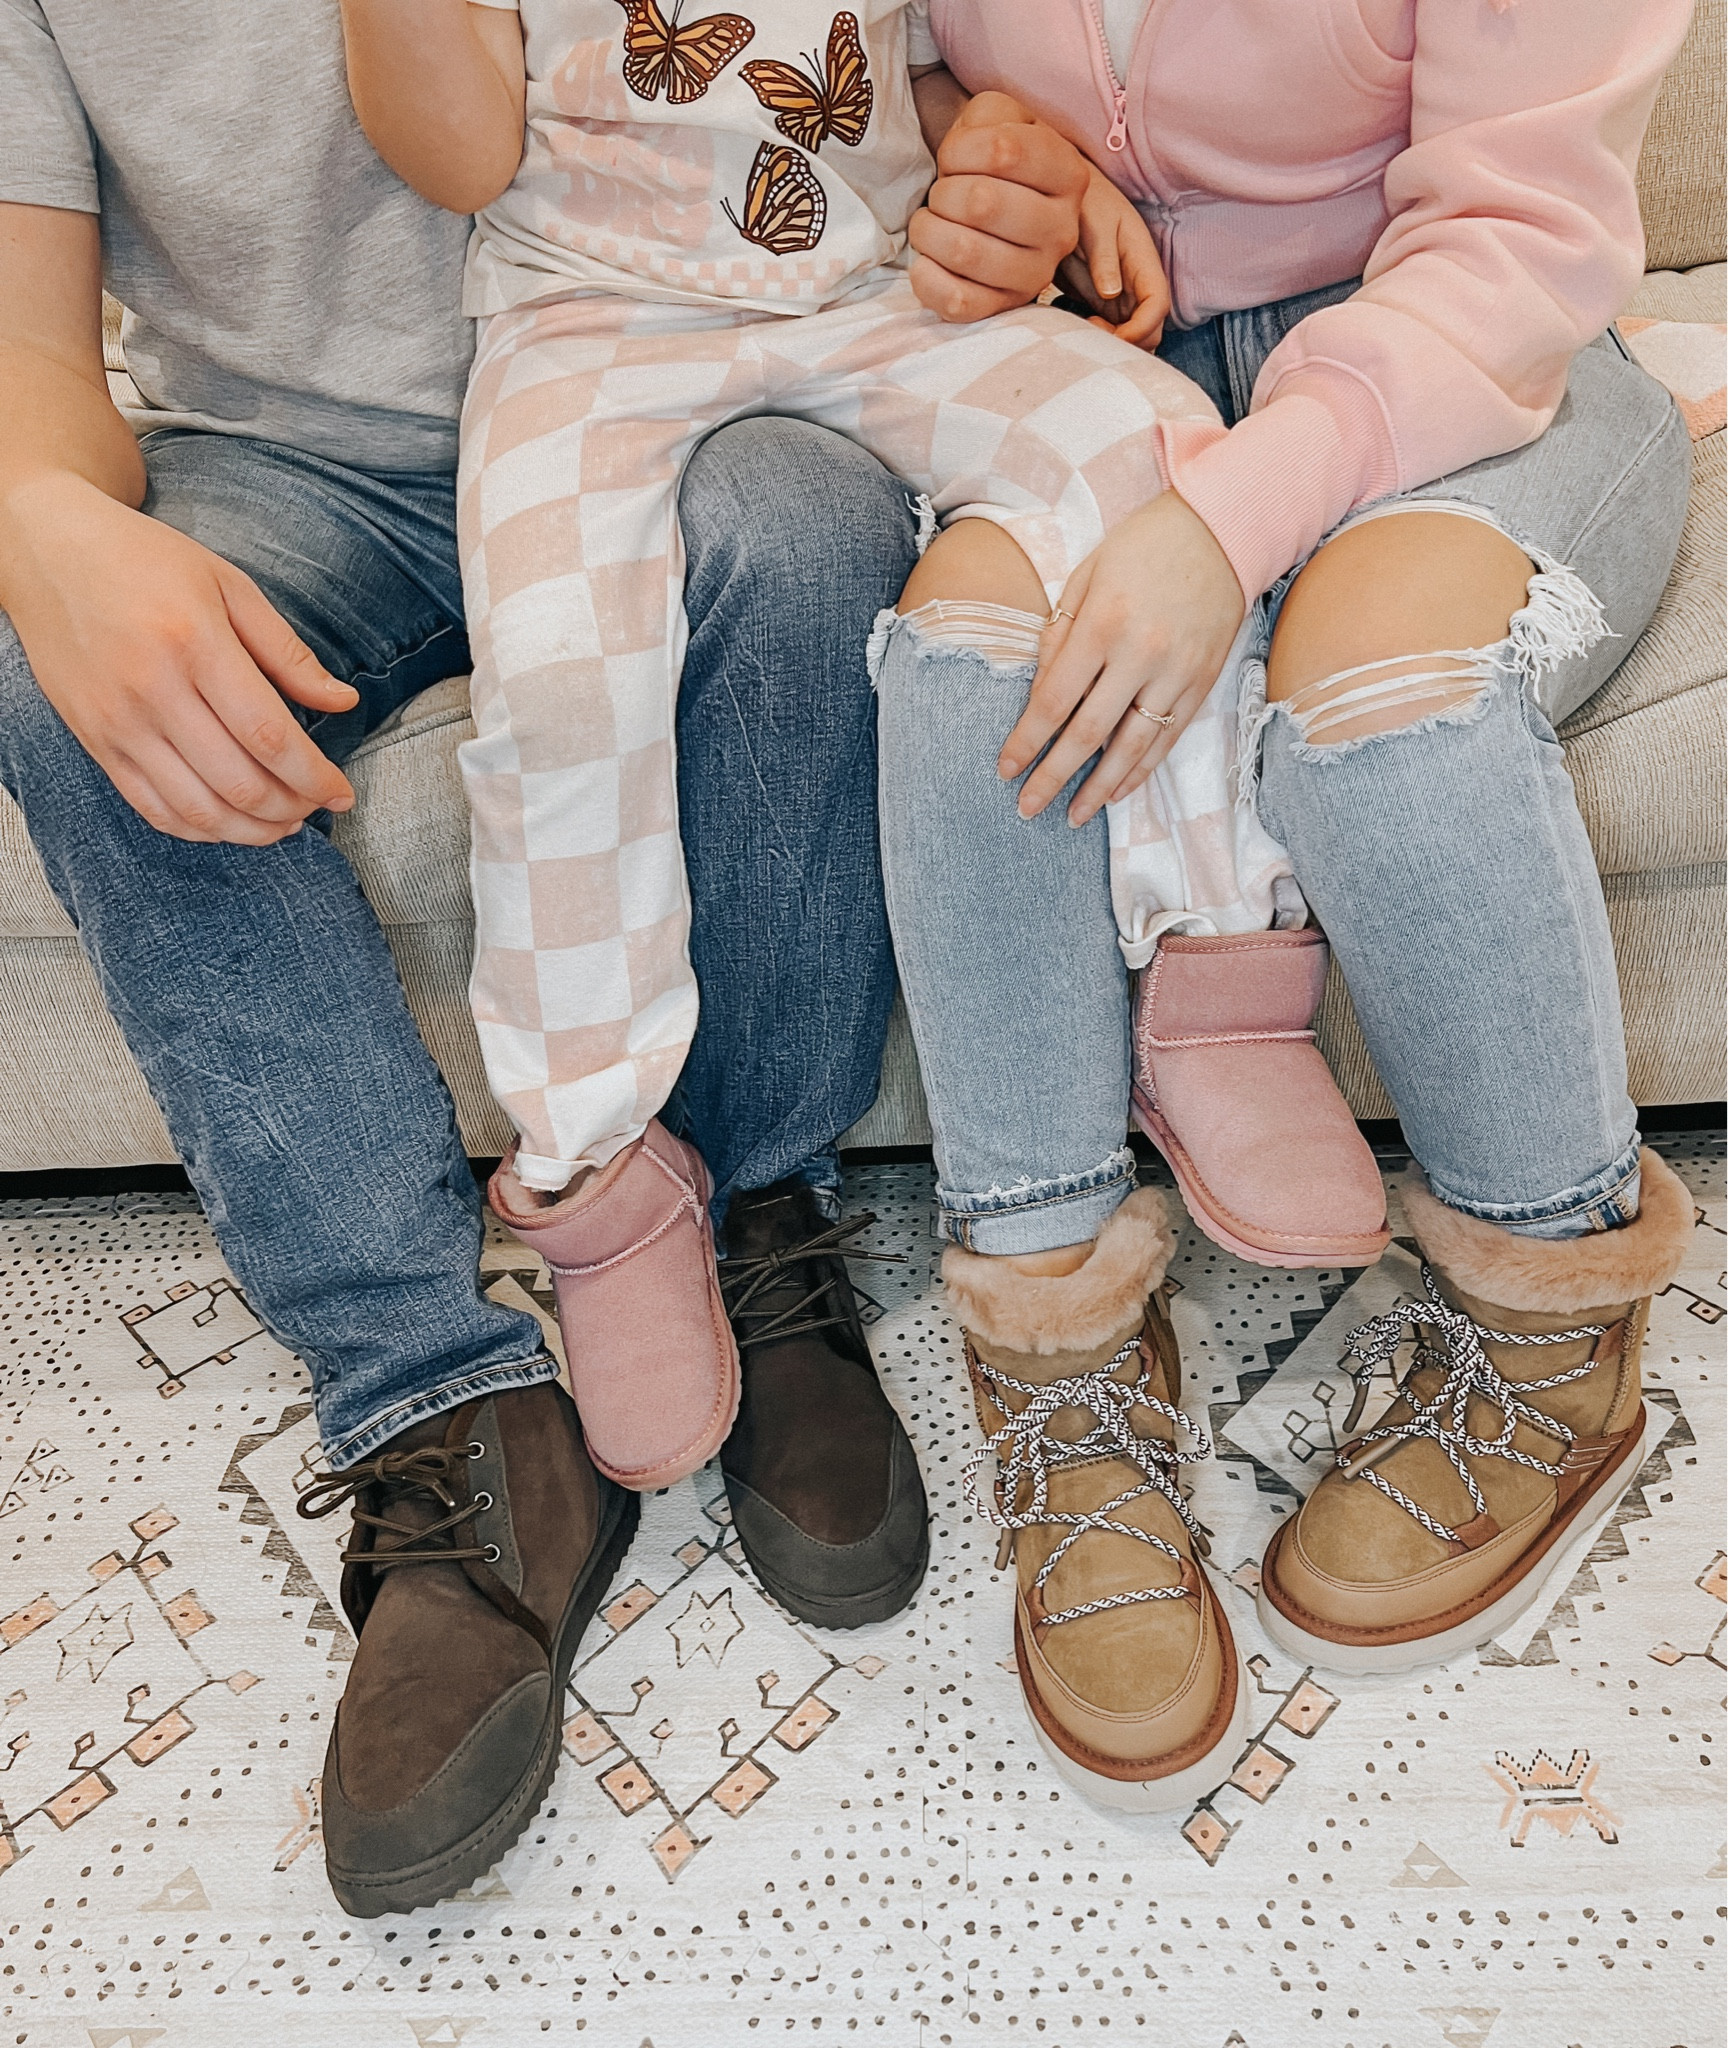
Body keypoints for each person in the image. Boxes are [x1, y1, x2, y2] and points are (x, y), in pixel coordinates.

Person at [690, 0, 1702, 1809]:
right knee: (974, 675)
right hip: (1108, 373)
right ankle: (1061, 1360)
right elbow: (881, 66)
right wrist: (992, 154)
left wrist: (1224, 530)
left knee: (1379, 716)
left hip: (1463, 352)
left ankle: (1559, 1351)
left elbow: (1516, 241)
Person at [0, 0, 928, 1918]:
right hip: (290, 471)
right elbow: (29, 348)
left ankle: (758, 1208)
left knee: (813, 526)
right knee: (42, 661)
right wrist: (37, 529)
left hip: (677, 381)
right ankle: (438, 1391)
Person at [334, 0, 1383, 1599]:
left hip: (876, 285)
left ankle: (1219, 977)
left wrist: (1004, 147)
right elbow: (457, 150)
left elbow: (943, 63)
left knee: (1151, 440)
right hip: (584, 319)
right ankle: (600, 1166)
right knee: (555, 674)